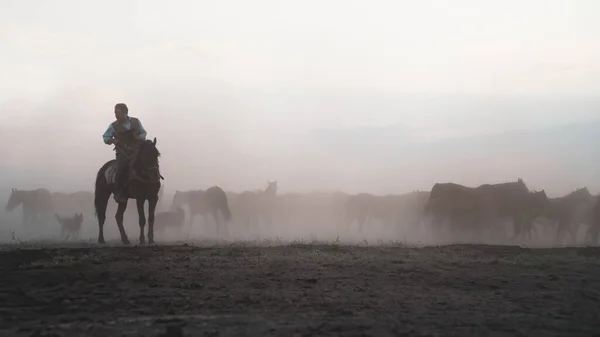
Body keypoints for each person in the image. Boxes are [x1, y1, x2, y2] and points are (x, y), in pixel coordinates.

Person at [102, 103, 147, 203]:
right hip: (123, 153)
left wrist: (138, 138)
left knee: (149, 162)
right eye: (115, 113)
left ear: (125, 112)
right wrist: (113, 141)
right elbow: (105, 137)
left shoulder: (136, 121)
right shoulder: (113, 126)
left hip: (136, 151)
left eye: (118, 113)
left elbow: (143, 133)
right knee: (122, 166)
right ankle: (119, 191)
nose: (116, 115)